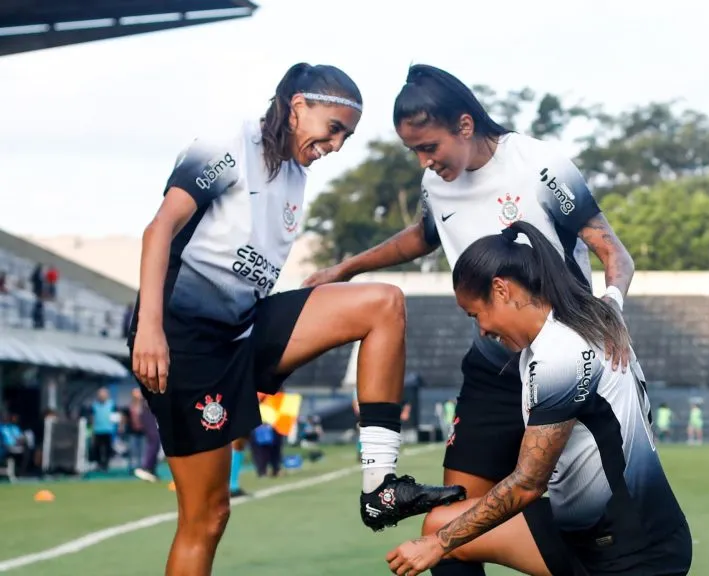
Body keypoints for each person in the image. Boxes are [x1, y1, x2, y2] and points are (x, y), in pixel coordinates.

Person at [127, 62, 463, 576]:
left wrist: (335, 277)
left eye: (347, 137)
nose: (337, 146)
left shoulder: (294, 174)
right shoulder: (228, 144)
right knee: (207, 516)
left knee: (383, 302)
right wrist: (149, 327)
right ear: (298, 105)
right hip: (183, 340)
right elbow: (160, 230)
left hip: (245, 327)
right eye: (334, 130)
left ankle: (380, 486)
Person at [303, 63, 635, 576]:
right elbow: (422, 235)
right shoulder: (436, 185)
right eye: (414, 151)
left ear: (464, 125)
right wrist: (346, 267)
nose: (424, 161)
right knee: (444, 526)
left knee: (582, 527)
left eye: (429, 147)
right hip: (494, 369)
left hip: (562, 367)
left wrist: (610, 311)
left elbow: (613, 251)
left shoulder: (538, 165)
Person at [386, 221, 691, 576]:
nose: (481, 330)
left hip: (634, 555)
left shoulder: (561, 355)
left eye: (476, 315)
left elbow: (529, 484)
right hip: (581, 536)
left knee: (443, 537)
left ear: (501, 290)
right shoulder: (586, 317)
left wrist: (438, 545)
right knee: (442, 524)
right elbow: (613, 297)